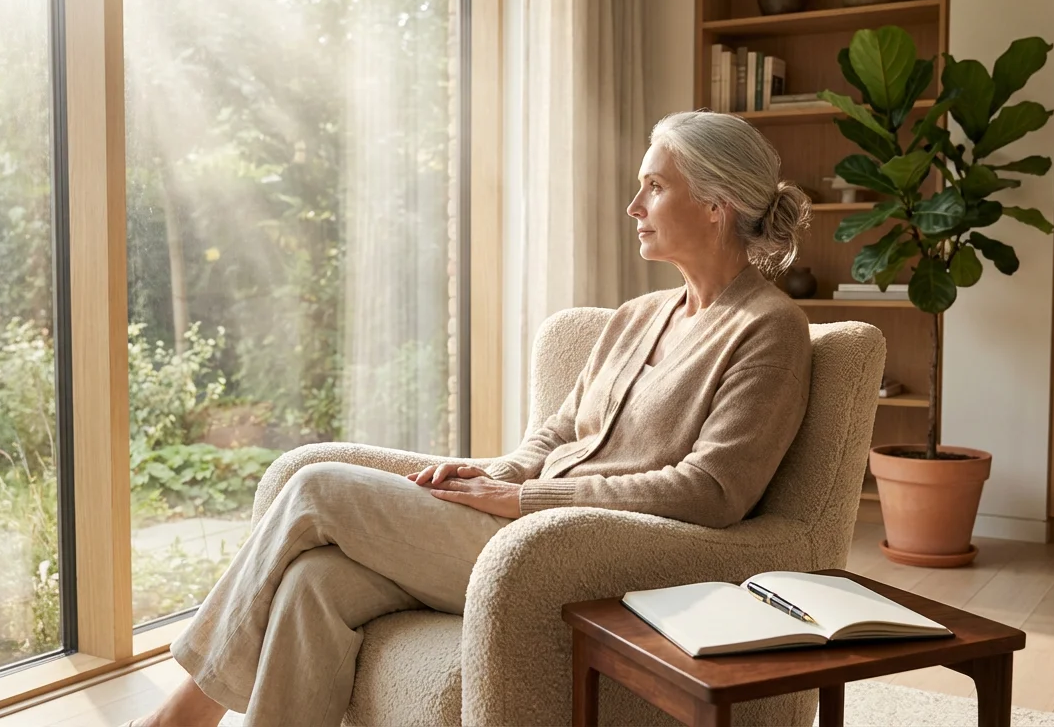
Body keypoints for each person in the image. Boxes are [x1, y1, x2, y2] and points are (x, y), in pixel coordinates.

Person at [126, 110, 813, 727]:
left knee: (315, 485)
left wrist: (523, 498)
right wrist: (498, 472)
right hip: (525, 525)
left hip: (587, 553)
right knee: (315, 584)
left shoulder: (768, 329)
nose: (633, 205)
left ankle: (182, 717)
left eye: (654, 187)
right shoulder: (637, 317)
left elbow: (713, 491)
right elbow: (559, 429)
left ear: (716, 204)